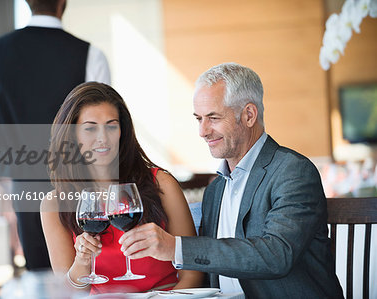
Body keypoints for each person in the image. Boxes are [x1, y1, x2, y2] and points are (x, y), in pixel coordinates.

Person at [118, 63, 344, 298]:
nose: (203, 131)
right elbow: (208, 269)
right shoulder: (215, 189)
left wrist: (175, 247)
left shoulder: (292, 171)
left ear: (248, 115)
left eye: (213, 118)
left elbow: (276, 256)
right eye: (199, 119)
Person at [0, 0, 111, 270]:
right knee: (89, 275)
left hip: (25, 186)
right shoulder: (90, 54)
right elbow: (102, 130)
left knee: (42, 276)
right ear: (63, 3)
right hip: (81, 187)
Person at [40, 82, 203, 293]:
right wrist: (82, 261)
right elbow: (68, 292)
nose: (102, 138)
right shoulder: (54, 204)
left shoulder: (162, 184)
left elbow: (194, 271)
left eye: (111, 125)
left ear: (122, 131)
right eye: (90, 128)